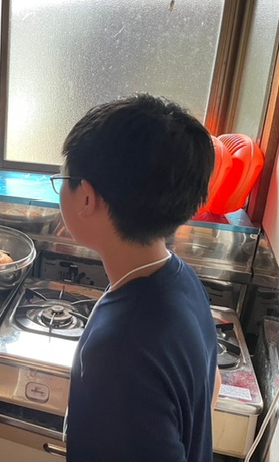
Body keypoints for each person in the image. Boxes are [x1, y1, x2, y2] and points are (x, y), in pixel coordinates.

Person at [55, 93, 221, 461]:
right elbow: (212, 385)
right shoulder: (181, 278)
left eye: (63, 179)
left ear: (87, 198)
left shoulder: (117, 351)